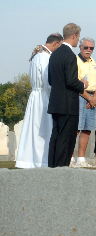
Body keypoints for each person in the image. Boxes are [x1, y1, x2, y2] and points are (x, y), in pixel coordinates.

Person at [47, 23, 96, 168]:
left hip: (55, 102)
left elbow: (51, 79)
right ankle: (62, 168)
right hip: (68, 104)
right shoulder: (70, 55)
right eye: (78, 38)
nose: (78, 41)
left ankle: (52, 167)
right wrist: (83, 85)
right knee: (66, 138)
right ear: (74, 36)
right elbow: (70, 81)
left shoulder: (54, 53)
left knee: (55, 136)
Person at [15, 33, 63, 168]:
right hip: (44, 97)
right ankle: (42, 161)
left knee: (33, 130)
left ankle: (28, 160)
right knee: (44, 130)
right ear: (55, 44)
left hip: (34, 95)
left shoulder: (36, 57)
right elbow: (48, 82)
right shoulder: (47, 58)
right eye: (59, 46)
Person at [72, 37, 96, 167]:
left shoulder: (93, 61)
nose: (88, 50)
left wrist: (95, 98)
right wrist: (89, 98)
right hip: (80, 96)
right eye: (86, 47)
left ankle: (81, 159)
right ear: (80, 47)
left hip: (92, 97)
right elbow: (76, 83)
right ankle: (70, 158)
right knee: (76, 128)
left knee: (87, 129)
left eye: (91, 48)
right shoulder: (75, 60)